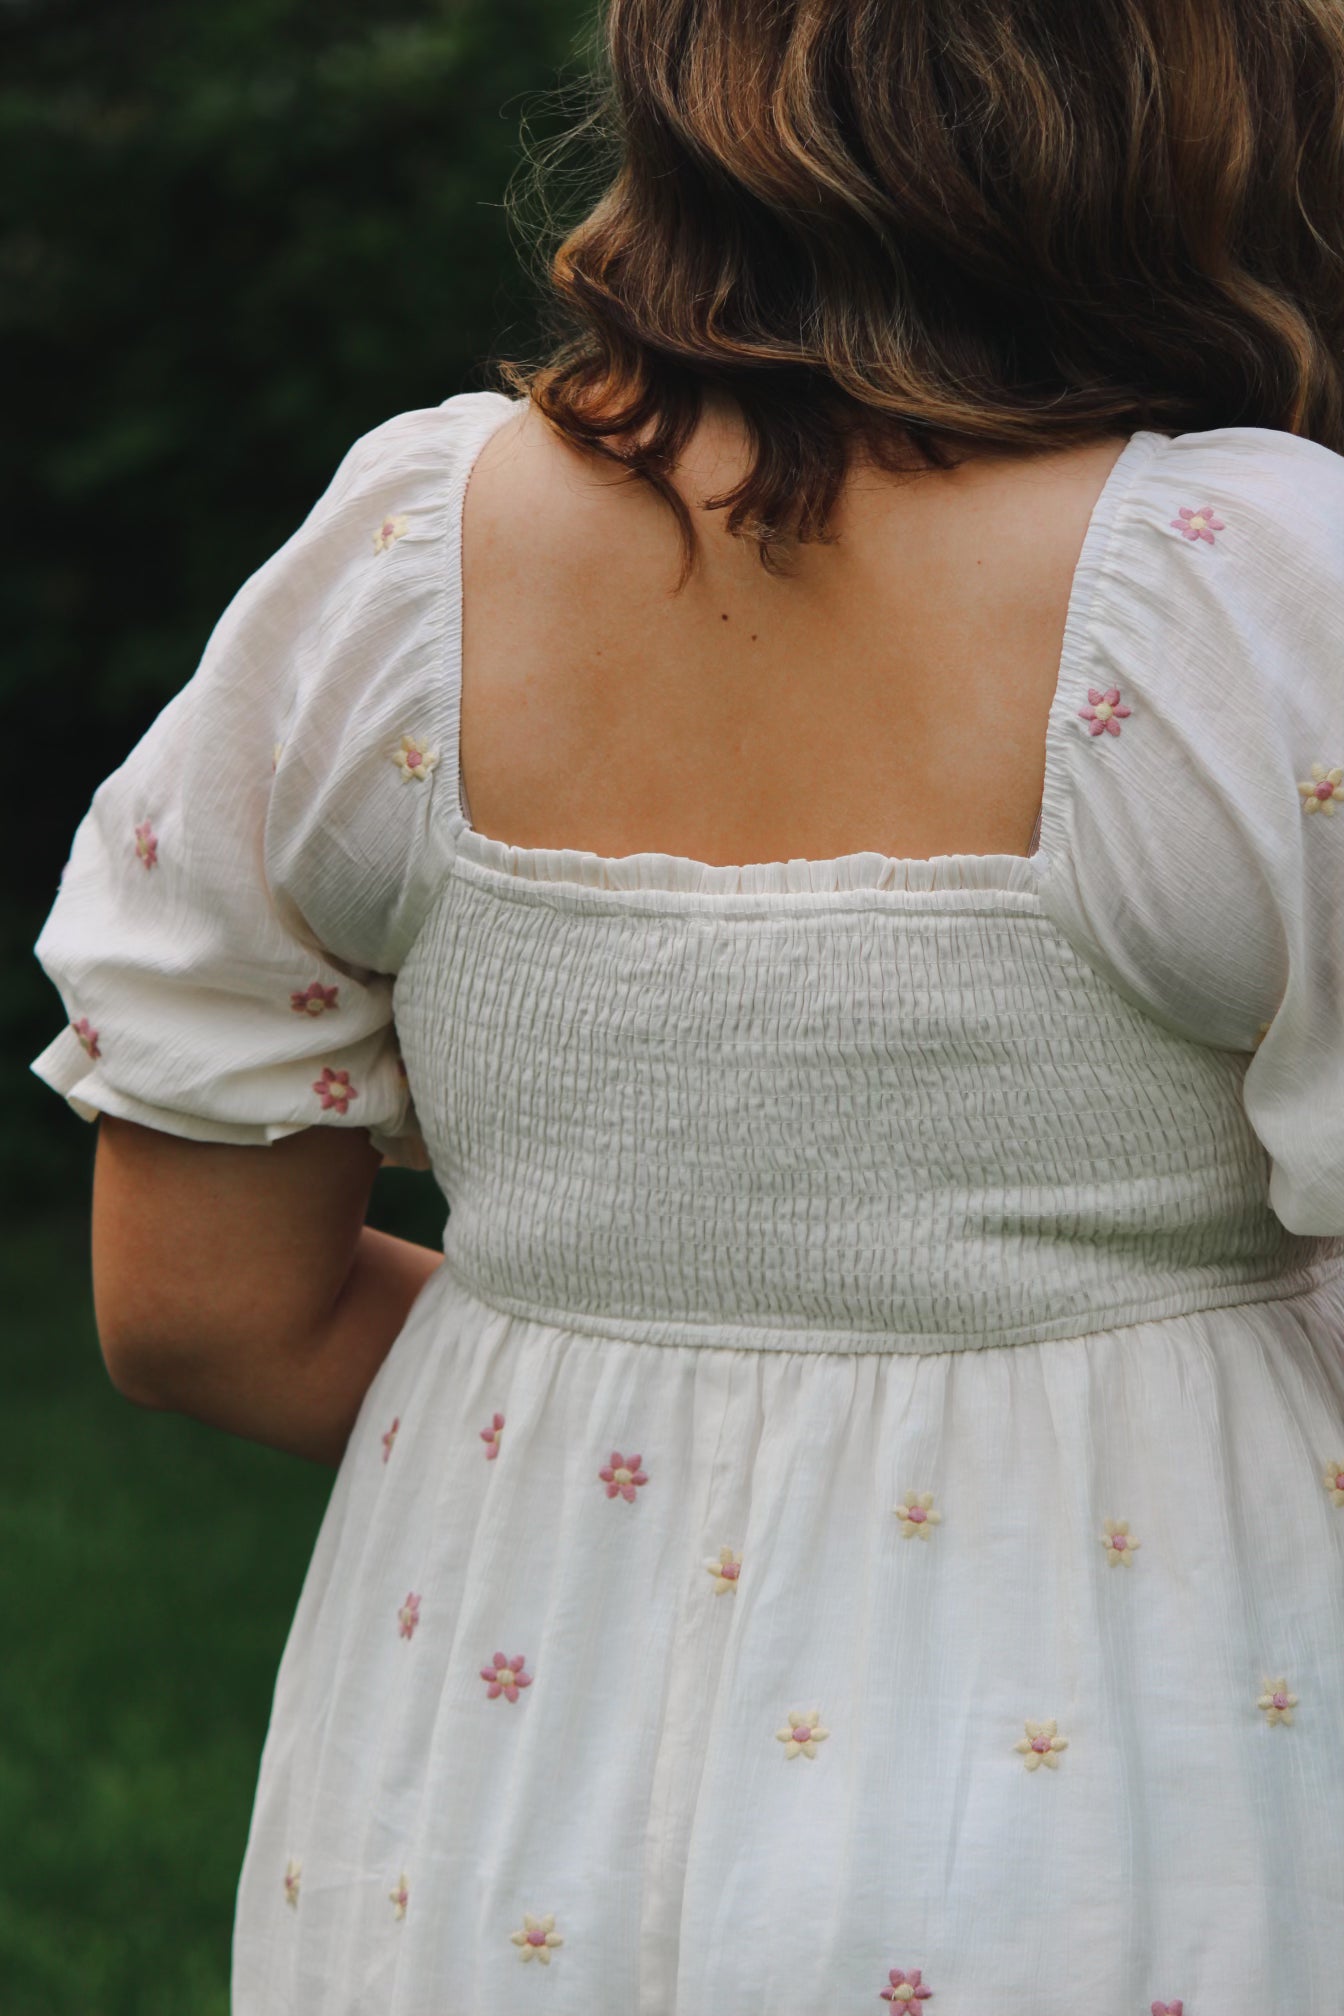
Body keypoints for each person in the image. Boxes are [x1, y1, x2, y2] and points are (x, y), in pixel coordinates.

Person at [29, 1, 1344, 2009]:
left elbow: (206, 1311)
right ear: (1210, 107)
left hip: (495, 1777)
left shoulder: (401, 565)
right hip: (1136, 1761)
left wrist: (622, 1454)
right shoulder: (1260, 598)